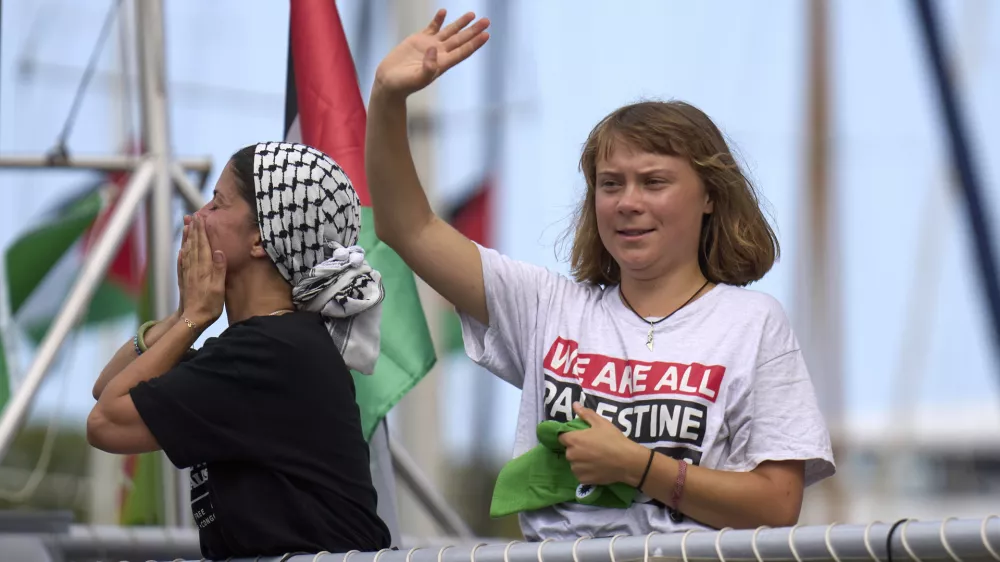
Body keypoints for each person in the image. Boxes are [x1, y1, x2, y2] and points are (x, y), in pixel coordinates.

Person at [365, 9, 835, 540]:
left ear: (709, 196)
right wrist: (387, 96)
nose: (628, 203)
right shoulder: (545, 306)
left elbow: (778, 502)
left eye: (653, 182)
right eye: (610, 184)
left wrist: (637, 466)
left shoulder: (753, 322)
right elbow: (408, 227)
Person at [87, 142, 392, 558]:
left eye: (217, 203)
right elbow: (106, 390)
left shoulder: (270, 353)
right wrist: (181, 318)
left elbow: (106, 421)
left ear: (260, 241)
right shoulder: (270, 348)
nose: (195, 218)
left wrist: (195, 319)